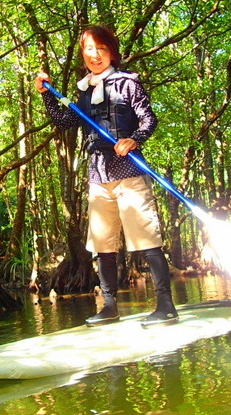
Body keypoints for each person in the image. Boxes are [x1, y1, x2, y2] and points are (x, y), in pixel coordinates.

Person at [34, 24, 179, 327]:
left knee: (147, 240)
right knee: (103, 245)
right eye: (89, 49)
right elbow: (64, 121)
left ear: (111, 52)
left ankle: (166, 306)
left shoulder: (128, 84)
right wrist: (46, 93)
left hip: (129, 172)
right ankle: (110, 307)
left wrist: (135, 137)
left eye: (101, 49)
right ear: (83, 54)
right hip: (97, 174)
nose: (94, 55)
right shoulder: (83, 91)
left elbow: (148, 118)